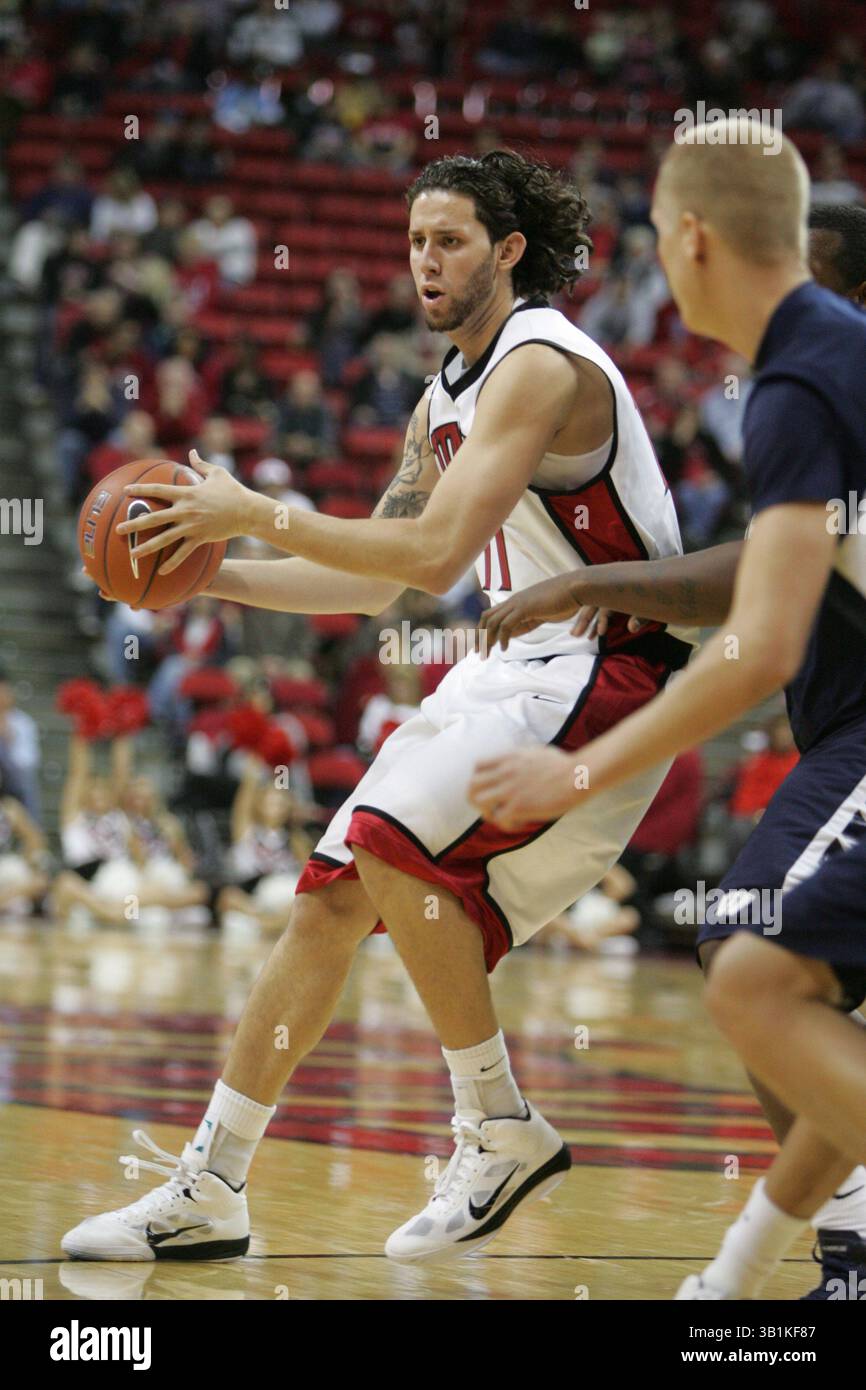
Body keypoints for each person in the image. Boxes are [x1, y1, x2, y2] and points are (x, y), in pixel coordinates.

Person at [65, 149, 695, 1264]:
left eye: (447, 240)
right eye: (412, 241)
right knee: (322, 904)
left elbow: (435, 545)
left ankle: (495, 1120)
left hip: (610, 658)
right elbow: (380, 585)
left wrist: (257, 510)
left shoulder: (541, 364)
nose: (424, 261)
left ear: (506, 251)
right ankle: (209, 1184)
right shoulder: (442, 393)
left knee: (391, 841)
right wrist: (212, 570)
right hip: (515, 662)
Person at [468, 122, 866, 1302]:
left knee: (752, 967)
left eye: (649, 231)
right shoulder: (822, 359)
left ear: (689, 238)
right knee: (776, 978)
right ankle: (767, 1273)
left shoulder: (801, 375)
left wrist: (572, 774)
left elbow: (758, 644)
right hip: (840, 726)